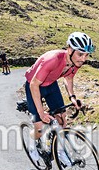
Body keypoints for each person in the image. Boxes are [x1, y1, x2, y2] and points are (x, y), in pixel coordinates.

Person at [24, 32, 94, 162]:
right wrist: (41, 112)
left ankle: (60, 151)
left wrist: (72, 97)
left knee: (61, 121)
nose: (83, 59)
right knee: (39, 128)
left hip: (51, 85)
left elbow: (68, 77)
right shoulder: (53, 59)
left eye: (86, 55)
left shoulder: (75, 62)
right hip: (34, 86)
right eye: (80, 54)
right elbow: (34, 84)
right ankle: (32, 144)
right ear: (70, 50)